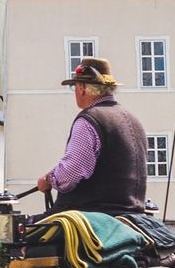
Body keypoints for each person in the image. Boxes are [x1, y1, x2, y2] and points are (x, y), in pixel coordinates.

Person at [34, 57, 150, 217]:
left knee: (21, 234)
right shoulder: (134, 121)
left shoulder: (89, 120)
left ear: (82, 88)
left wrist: (48, 180)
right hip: (133, 215)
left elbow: (71, 173)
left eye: (74, 87)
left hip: (93, 216)